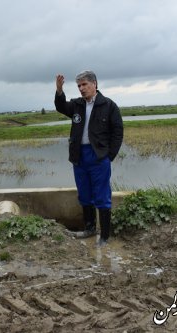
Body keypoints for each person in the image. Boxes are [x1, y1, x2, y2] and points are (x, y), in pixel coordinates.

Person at [54, 70, 123, 245]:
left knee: (102, 195)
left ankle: (105, 236)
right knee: (84, 194)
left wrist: (109, 156)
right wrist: (60, 91)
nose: (81, 89)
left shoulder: (108, 105)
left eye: (84, 85)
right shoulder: (77, 105)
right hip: (79, 156)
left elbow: (117, 133)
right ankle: (89, 229)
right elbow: (61, 107)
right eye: (79, 86)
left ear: (94, 84)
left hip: (99, 157)